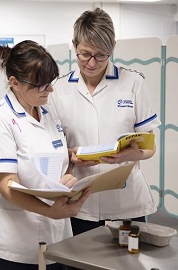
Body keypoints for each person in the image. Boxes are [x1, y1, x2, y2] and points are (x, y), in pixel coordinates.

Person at [0, 40, 90, 270]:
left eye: (50, 82)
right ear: (14, 83)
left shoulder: (47, 113)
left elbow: (57, 160)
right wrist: (49, 211)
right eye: (41, 85)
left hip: (58, 239)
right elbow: (7, 185)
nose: (50, 90)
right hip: (16, 246)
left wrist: (68, 174)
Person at [50, 7, 161, 236]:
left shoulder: (133, 83)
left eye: (101, 55)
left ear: (112, 49)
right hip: (79, 202)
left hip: (126, 202)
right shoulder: (58, 89)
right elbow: (51, 148)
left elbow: (150, 148)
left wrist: (132, 154)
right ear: (74, 45)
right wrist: (69, 155)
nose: (92, 63)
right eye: (85, 54)